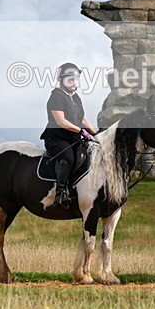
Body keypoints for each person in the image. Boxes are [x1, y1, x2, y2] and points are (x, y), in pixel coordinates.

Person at [40, 63, 98, 209]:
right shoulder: (56, 96)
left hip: (73, 138)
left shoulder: (76, 97)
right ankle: (60, 194)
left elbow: (83, 118)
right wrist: (80, 131)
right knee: (69, 158)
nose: (74, 82)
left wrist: (96, 133)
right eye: (70, 79)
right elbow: (61, 121)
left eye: (75, 79)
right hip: (57, 138)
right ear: (63, 80)